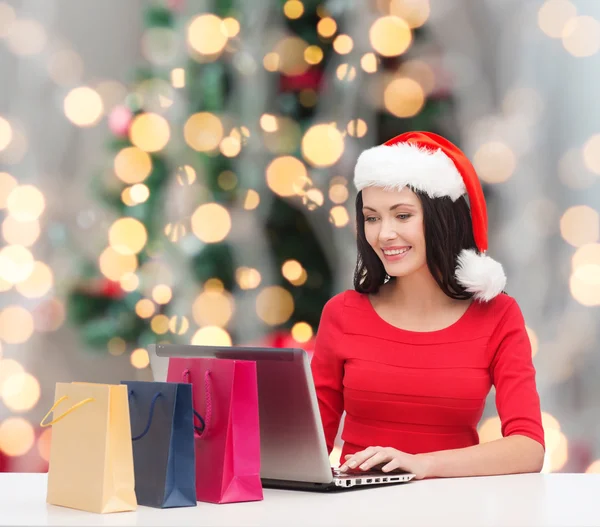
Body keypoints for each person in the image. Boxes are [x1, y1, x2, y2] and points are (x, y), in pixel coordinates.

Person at [310, 131, 545, 480]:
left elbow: (529, 447)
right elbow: (309, 445)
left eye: (402, 216)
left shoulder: (498, 315)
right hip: (357, 508)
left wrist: (423, 464)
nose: (384, 234)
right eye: (372, 218)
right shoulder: (342, 313)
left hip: (454, 507)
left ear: (441, 218)